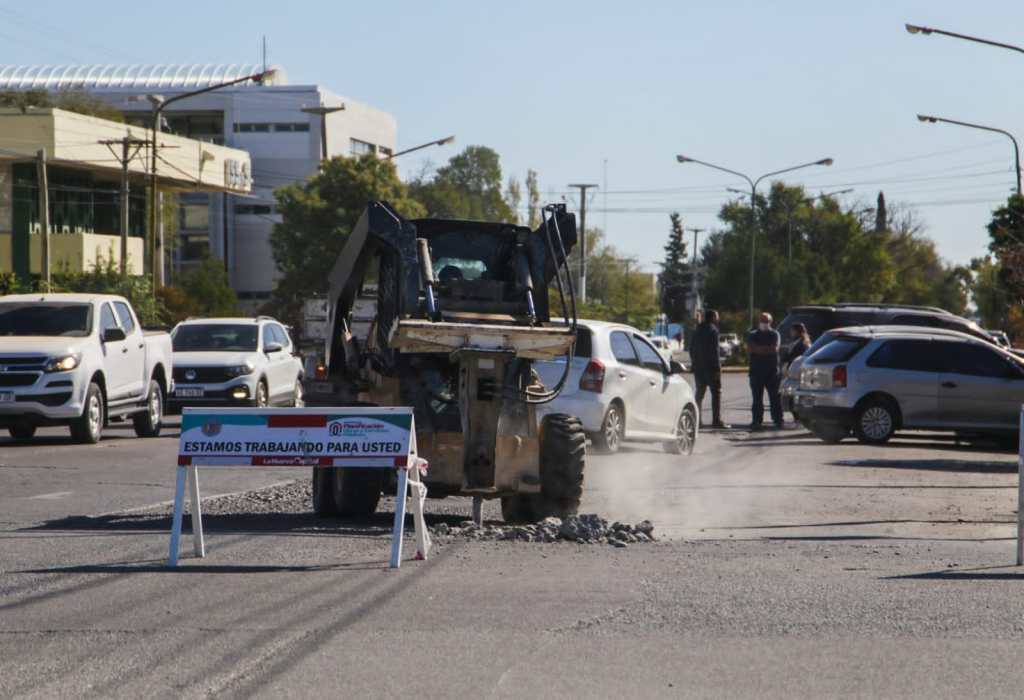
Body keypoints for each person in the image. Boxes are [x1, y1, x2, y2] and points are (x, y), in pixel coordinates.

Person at [690, 309, 729, 429]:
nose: (718, 319)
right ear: (712, 318)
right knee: (716, 393)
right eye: (716, 317)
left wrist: (694, 364)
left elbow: (691, 349)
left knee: (699, 394)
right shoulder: (713, 330)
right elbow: (714, 351)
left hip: (698, 368)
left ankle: (697, 421)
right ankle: (716, 420)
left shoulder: (697, 330)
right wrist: (717, 368)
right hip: (711, 368)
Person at [747, 311, 783, 429]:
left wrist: (760, 349)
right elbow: (752, 348)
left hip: (772, 372)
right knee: (757, 399)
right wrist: (765, 349)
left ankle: (778, 420)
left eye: (766, 321)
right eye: (762, 321)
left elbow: (774, 349)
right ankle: (757, 421)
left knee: (775, 398)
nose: (764, 323)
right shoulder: (753, 334)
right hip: (756, 372)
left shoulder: (775, 334)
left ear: (770, 322)